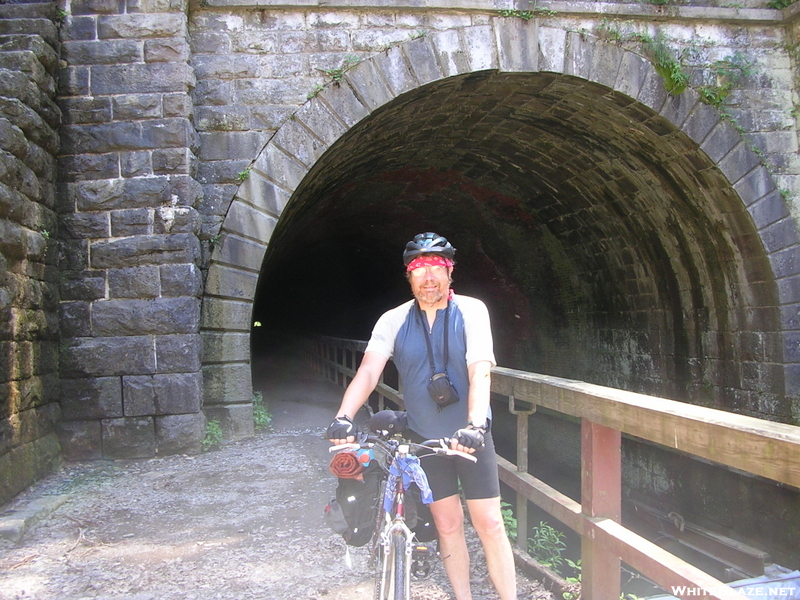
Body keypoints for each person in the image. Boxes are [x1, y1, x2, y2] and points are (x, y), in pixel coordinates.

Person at [326, 232, 517, 600]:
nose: (429, 277)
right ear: (409, 277)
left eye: (436, 268)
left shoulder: (472, 310)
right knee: (447, 525)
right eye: (419, 270)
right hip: (424, 437)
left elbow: (480, 371)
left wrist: (476, 424)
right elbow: (368, 372)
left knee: (491, 524)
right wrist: (343, 417)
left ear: (450, 273)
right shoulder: (394, 320)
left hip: (468, 438)